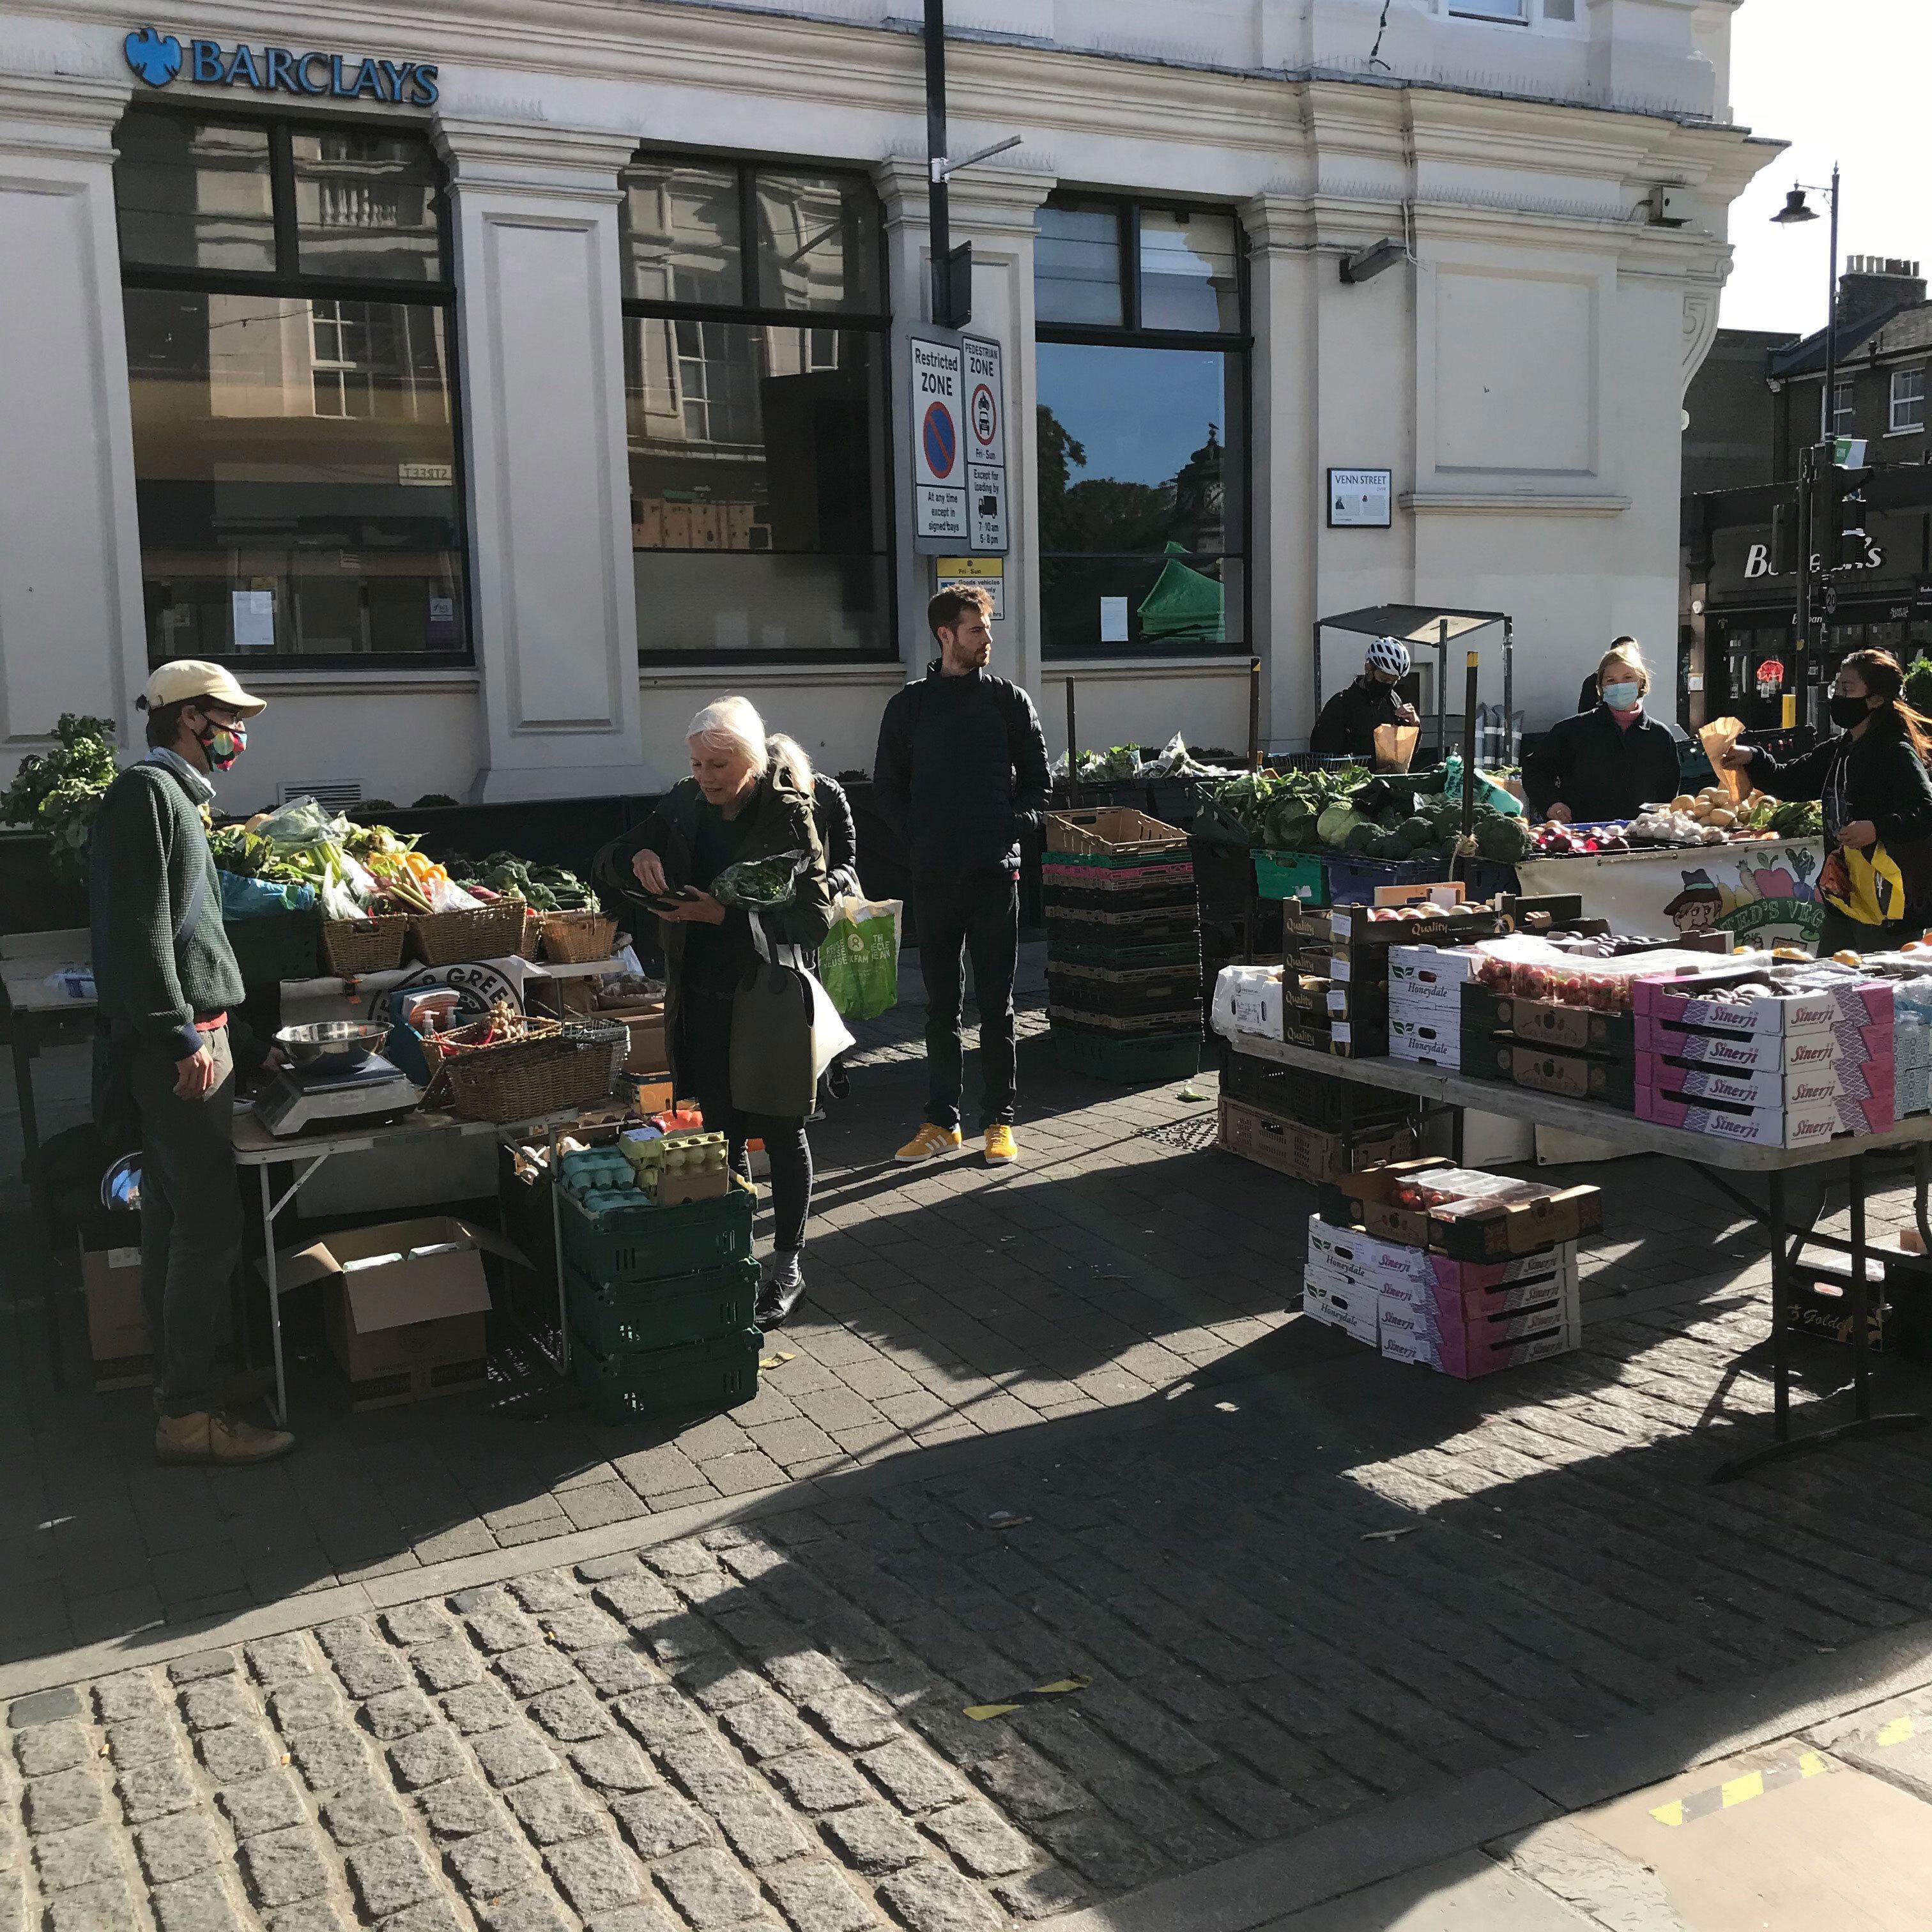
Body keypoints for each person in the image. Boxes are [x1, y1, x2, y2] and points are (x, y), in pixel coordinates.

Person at [91, 660, 293, 1466]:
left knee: (176, 1220)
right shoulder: (147, 794)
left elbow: (182, 930)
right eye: (227, 715)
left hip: (201, 1035)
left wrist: (230, 1033)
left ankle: (188, 1378)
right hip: (179, 1050)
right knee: (207, 1225)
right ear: (188, 721)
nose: (240, 730)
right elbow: (140, 934)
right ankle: (187, 1413)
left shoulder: (173, 798)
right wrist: (182, 1040)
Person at [594, 699, 832, 1327]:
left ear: (749, 761)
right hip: (698, 995)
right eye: (698, 763)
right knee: (719, 1127)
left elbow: (814, 919)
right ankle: (734, 1254)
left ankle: (788, 1266)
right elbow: (610, 857)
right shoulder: (681, 801)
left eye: (719, 765)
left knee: (781, 1129)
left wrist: (722, 915)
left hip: (768, 997)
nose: (707, 776)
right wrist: (633, 863)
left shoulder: (788, 815)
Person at [873, 586, 1050, 1167]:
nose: (988, 639)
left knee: (997, 1005)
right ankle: (940, 1123)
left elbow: (1039, 785)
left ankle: (999, 1121)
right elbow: (887, 790)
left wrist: (1008, 828)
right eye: (976, 629)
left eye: (988, 628)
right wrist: (918, 842)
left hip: (996, 876)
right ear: (945, 634)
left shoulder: (1010, 702)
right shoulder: (910, 707)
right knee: (940, 1008)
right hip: (933, 879)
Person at [1723, 648, 1932, 956]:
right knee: (1831, 980)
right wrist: (1752, 757)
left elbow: (1926, 810)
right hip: (1844, 893)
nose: (1837, 695)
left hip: (1889, 902)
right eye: (1837, 686)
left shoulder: (1895, 751)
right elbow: (1790, 780)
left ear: (1875, 700)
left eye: (1847, 689)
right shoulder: (1840, 749)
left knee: (1878, 987)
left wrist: (1876, 829)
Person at [1524, 641, 1681, 825]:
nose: (1619, 685)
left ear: (1641, 683)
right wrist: (1551, 803)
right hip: (1582, 838)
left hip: (1641, 839)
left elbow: (1668, 794)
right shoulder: (1573, 730)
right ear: (1601, 688)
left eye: (1628, 677)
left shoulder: (1659, 736)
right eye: (1611, 680)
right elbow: (1535, 769)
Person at [1309, 637, 1420, 758]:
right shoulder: (1342, 705)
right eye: (1384, 679)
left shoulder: (1393, 701)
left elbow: (1404, 755)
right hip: (1355, 776)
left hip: (1388, 776)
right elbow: (1323, 757)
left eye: (1393, 681)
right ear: (1369, 668)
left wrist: (1414, 726)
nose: (1388, 685)